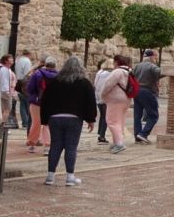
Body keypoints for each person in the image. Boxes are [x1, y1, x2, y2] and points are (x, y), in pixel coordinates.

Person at [40, 56, 97, 186]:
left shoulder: (54, 82)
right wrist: (90, 119)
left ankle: (50, 176)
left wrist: (44, 119)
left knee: (55, 146)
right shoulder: (84, 83)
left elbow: (45, 101)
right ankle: (70, 177)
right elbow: (90, 102)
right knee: (71, 147)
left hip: (55, 117)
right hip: (74, 118)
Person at [101, 54, 135, 153]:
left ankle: (119, 144)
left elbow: (108, 85)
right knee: (119, 121)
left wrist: (102, 95)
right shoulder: (129, 71)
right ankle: (116, 142)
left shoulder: (117, 72)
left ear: (116, 62)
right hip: (126, 99)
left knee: (111, 121)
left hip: (115, 100)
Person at [25, 56, 58, 153]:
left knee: (36, 123)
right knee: (47, 124)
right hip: (51, 103)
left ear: (45, 64)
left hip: (36, 102)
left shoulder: (37, 74)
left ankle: (32, 145)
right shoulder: (59, 76)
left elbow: (29, 88)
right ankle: (47, 146)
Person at [132, 49, 162, 143]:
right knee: (153, 115)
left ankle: (137, 136)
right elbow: (160, 73)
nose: (155, 59)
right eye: (155, 57)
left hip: (136, 91)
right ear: (151, 57)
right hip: (148, 91)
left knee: (137, 116)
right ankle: (143, 134)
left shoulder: (137, 66)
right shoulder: (152, 66)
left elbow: (132, 75)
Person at [93, 58, 113, 144]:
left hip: (98, 97)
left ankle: (100, 134)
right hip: (106, 98)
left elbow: (95, 84)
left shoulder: (100, 72)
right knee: (106, 117)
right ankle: (102, 136)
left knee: (102, 116)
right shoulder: (110, 74)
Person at [14, 49, 33, 130]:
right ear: (29, 54)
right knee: (28, 103)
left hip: (18, 81)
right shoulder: (27, 61)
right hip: (25, 83)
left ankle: (24, 122)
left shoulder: (18, 60)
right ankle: (27, 122)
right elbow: (27, 73)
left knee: (22, 103)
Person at [0, 54, 16, 122]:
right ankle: (2, 125)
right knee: (7, 110)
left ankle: (1, 124)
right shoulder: (4, 69)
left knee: (5, 110)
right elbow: (4, 81)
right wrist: (7, 92)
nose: (12, 59)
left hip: (6, 92)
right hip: (6, 92)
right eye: (10, 58)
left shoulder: (6, 69)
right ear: (6, 61)